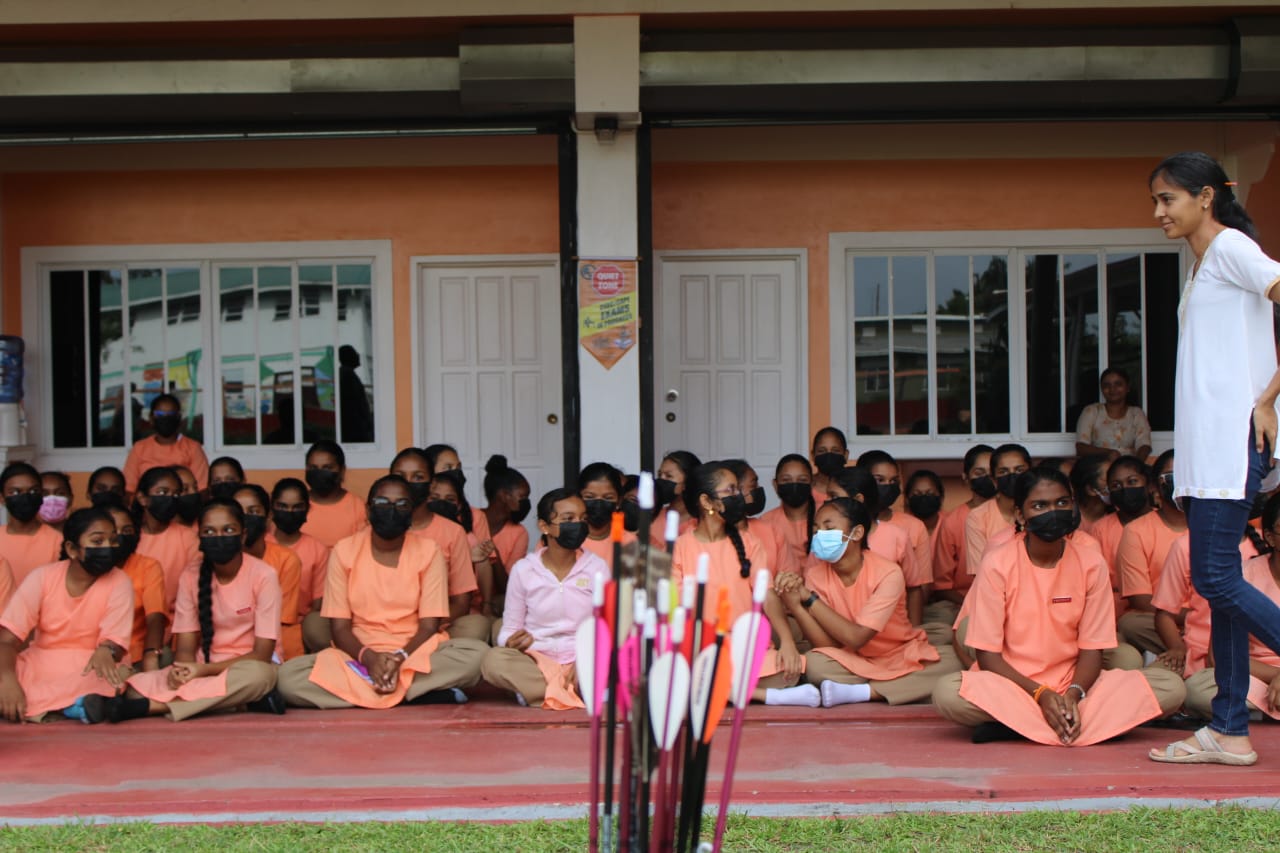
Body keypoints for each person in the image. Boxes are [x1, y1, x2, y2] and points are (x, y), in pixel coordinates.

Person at [1146, 152, 1280, 766]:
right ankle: (1228, 728)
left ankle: (1227, 726)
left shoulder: (1230, 249)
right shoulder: (1204, 266)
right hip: (1206, 455)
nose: (1157, 213)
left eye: (1167, 200)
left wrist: (1268, 399)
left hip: (1231, 446)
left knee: (1216, 579)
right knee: (1220, 586)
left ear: (1204, 196)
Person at [932, 467, 1185, 745]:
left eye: (1062, 503)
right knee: (948, 693)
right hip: (1014, 685)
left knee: (1171, 688)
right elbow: (988, 656)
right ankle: (1073, 722)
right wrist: (1041, 694)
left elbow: (1092, 649)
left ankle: (1022, 725)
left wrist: (1073, 694)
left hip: (1074, 682)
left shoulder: (1090, 563)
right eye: (1040, 505)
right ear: (1020, 515)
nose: (1053, 511)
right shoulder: (998, 563)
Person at [276, 475, 487, 709]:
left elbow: (429, 625)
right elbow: (339, 628)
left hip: (414, 652)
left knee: (477, 655)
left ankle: (369, 690)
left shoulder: (429, 551)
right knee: (287, 677)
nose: (392, 510)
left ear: (412, 511)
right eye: (383, 503)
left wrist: (399, 658)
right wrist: (369, 658)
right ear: (368, 510)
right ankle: (411, 692)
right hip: (358, 653)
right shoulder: (344, 550)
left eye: (401, 505)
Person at [108, 499, 283, 722]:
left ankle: (153, 707)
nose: (219, 537)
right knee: (136, 686)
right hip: (201, 669)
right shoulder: (191, 576)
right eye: (209, 531)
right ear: (199, 537)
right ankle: (237, 703)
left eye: (228, 530)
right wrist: (181, 672)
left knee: (260, 677)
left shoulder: (263, 575)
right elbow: (186, 648)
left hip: (244, 667)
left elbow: (262, 654)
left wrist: (204, 672)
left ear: (243, 535)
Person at [775, 497, 960, 707]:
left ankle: (864, 692)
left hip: (897, 655)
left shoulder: (888, 572)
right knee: (815, 664)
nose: (819, 535)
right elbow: (829, 645)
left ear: (857, 533)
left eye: (828, 528)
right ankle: (902, 689)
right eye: (816, 529)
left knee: (953, 659)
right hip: (851, 659)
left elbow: (857, 637)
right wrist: (795, 606)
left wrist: (808, 598)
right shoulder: (816, 575)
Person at [670, 462, 805, 705]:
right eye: (731, 490)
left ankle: (724, 689)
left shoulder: (749, 543)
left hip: (745, 647)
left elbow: (768, 595)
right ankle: (766, 697)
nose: (739, 496)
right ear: (707, 502)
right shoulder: (681, 547)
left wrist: (787, 642)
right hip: (701, 649)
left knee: (792, 669)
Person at [0, 508, 133, 724]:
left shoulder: (121, 582)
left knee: (112, 677)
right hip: (40, 663)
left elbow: (115, 647)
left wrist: (106, 650)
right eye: (97, 542)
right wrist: (7, 681)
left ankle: (34, 707)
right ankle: (71, 706)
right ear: (72, 549)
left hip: (92, 664)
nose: (108, 548)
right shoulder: (42, 577)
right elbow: (6, 641)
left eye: (113, 541)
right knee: (6, 674)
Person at [480, 488, 607, 708]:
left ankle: (538, 693)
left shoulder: (597, 568)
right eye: (568, 519)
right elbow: (509, 629)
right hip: (537, 659)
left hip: (583, 657)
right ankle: (573, 692)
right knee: (493, 661)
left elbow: (606, 626)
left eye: (582, 519)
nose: (578, 525)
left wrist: (586, 658)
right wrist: (510, 642)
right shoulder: (524, 570)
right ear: (544, 526)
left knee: (623, 656)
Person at [1181, 493, 1280, 723]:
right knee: (1199, 689)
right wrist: (1276, 674)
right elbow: (1219, 657)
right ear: (1270, 537)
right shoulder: (1241, 576)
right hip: (1255, 676)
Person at [390, 449, 488, 642]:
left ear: (432, 483)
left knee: (476, 628)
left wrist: (423, 629)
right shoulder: (377, 527)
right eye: (400, 477)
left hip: (437, 625)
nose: (408, 483)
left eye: (418, 477)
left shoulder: (453, 532)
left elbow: (461, 602)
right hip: (383, 625)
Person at [1116, 451, 1185, 654]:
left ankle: (1194, 652)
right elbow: (1141, 600)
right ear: (1154, 486)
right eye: (1171, 477)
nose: (1179, 484)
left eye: (1185, 476)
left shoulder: (1211, 527)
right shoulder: (1137, 531)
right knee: (1131, 623)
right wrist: (1192, 618)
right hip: (1159, 619)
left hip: (1209, 620)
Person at [858, 450, 931, 626]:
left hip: (899, 616)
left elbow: (921, 588)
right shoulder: (845, 527)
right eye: (880, 480)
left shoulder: (914, 526)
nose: (888, 486)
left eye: (894, 481)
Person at [233, 485, 303, 660]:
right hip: (229, 642)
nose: (246, 517)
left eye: (253, 511)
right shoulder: (219, 559)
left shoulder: (286, 559)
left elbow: (281, 620)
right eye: (240, 512)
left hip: (274, 642)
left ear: (268, 515)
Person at [928, 445, 993, 626]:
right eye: (979, 472)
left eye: (991, 472)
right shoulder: (953, 521)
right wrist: (972, 604)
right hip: (963, 604)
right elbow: (942, 586)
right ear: (966, 478)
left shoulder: (1014, 516)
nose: (986, 478)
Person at [426, 470, 495, 638]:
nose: (441, 503)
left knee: (477, 628)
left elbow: (462, 600)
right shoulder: (410, 534)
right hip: (417, 614)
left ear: (458, 506)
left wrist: (486, 605)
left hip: (452, 612)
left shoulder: (466, 537)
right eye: (434, 499)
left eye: (449, 500)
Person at [266, 478, 331, 654]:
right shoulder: (262, 544)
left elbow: (318, 604)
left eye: (296, 507)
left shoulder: (317, 549)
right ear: (272, 508)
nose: (289, 512)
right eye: (283, 506)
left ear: (307, 509)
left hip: (299, 626)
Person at [103, 503, 166, 672]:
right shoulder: (87, 568)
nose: (121, 536)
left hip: (134, 653)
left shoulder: (148, 566)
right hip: (91, 654)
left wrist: (151, 656)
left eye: (127, 530)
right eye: (114, 531)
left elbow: (155, 616)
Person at [133, 466, 201, 615]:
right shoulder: (130, 536)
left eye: (176, 494)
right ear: (142, 498)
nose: (170, 498)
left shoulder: (187, 537)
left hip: (177, 622)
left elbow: (195, 589)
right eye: (162, 492)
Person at [1093, 455, 1154, 614]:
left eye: (1132, 481)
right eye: (1116, 485)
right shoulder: (1100, 530)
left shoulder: (1163, 523)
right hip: (1116, 611)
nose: (1125, 489)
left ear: (1148, 484)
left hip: (1163, 608)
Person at [122, 394, 209, 494]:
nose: (166, 418)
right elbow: (129, 488)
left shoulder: (192, 448)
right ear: (151, 418)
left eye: (171, 414)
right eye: (160, 414)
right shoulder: (140, 448)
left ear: (178, 418)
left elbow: (202, 488)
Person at [0, 463, 67, 588]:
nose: (25, 497)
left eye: (33, 491)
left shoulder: (58, 541)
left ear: (41, 496)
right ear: (2, 498)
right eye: (15, 492)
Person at [725, 459, 794, 579]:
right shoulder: (710, 535)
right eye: (753, 485)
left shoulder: (772, 531)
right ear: (734, 491)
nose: (759, 489)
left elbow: (788, 578)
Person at [1075, 367, 1153, 461]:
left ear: (1127, 387)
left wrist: (1136, 465)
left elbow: (1144, 445)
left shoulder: (1136, 413)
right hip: (1099, 468)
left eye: (1118, 384)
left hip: (1128, 467)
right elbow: (1081, 447)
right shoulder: (1091, 411)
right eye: (1106, 385)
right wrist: (1108, 453)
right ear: (1102, 389)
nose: (1112, 389)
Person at [299, 441, 367, 548]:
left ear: (342, 470)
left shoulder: (359, 508)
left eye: (327, 468)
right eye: (313, 468)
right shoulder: (295, 505)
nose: (319, 473)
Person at [760, 454, 817, 574]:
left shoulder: (825, 518)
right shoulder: (766, 522)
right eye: (786, 480)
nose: (794, 484)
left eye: (802, 480)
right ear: (776, 485)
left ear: (812, 483)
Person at [480, 455, 531, 582]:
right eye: (523, 496)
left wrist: (494, 555)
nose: (526, 502)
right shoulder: (470, 517)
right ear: (504, 495)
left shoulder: (520, 533)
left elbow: (509, 585)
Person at [578, 462, 635, 572]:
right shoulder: (563, 539)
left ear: (618, 501)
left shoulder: (630, 543)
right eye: (589, 497)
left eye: (608, 497)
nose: (598, 503)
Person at [653, 451, 701, 547]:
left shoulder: (701, 522)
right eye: (659, 475)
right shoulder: (653, 516)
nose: (661, 480)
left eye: (668, 476)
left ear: (687, 482)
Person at [1070, 454, 1114, 535]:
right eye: (1110, 477)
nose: (1116, 481)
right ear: (1091, 490)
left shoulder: (1121, 515)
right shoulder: (1068, 517)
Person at [338, 345, 374, 443]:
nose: (358, 355)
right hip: (355, 430)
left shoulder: (346, 374)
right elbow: (358, 404)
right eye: (354, 353)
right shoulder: (347, 375)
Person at [810, 427, 849, 504]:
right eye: (821, 451)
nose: (829, 455)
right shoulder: (805, 487)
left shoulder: (853, 486)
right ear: (813, 455)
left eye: (835, 450)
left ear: (845, 455)